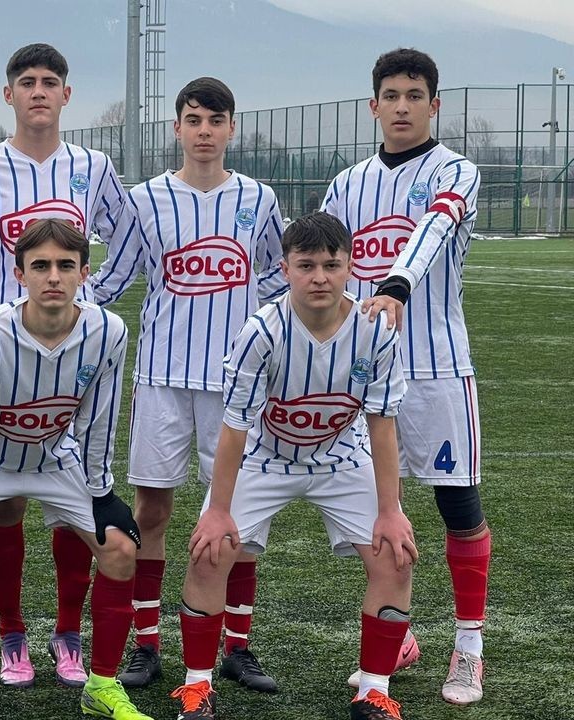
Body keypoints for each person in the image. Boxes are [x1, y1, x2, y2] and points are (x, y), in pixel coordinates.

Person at [169, 211, 416, 720]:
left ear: (351, 266)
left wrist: (391, 510)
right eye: (306, 266)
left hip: (340, 455)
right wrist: (218, 511)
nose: (319, 277)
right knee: (209, 553)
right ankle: (196, 689)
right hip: (265, 455)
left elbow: (382, 424)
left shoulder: (376, 329)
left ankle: (373, 691)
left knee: (396, 556)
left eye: (331, 265)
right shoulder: (261, 330)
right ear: (285, 269)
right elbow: (234, 426)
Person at [86, 77, 286, 691]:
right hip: (163, 379)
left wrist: (256, 299)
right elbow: (113, 278)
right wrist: (55, 306)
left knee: (239, 519)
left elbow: (281, 277)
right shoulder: (145, 200)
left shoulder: (258, 198)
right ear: (177, 128)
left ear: (231, 129)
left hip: (237, 384)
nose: (204, 131)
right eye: (194, 120)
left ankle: (237, 646)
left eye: (215, 121)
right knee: (152, 510)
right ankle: (146, 644)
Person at [0, 219, 152, 720]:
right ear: (19, 274)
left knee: (121, 549)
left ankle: (102, 687)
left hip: (54, 453)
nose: (53, 277)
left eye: (66, 265)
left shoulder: (108, 332)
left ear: (84, 273)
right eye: (40, 266)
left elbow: (99, 420)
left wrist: (102, 491)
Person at [0, 43, 128, 688]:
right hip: (4, 355)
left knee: (72, 501)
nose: (37, 92)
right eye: (26, 82)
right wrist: (11, 302)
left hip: (73, 354)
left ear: (66, 94)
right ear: (9, 95)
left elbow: (128, 235)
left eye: (49, 82)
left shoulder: (93, 165)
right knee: (4, 505)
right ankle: (12, 634)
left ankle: (67, 632)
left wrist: (92, 302)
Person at [322, 48, 489, 705]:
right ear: (373, 106)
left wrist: (396, 282)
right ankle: (399, 636)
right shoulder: (347, 184)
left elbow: (435, 225)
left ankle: (469, 649)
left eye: (414, 95)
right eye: (390, 95)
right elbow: (324, 265)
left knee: (459, 510)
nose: (401, 106)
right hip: (365, 375)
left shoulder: (456, 170)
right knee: (373, 515)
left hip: (438, 368)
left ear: (433, 105)